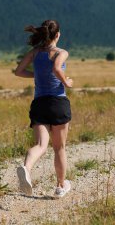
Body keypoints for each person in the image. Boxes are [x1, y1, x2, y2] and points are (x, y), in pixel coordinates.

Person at [14, 20, 73, 198]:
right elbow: (56, 68)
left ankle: (26, 169)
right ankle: (60, 186)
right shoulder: (61, 53)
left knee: (41, 145)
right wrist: (66, 82)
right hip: (57, 103)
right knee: (59, 148)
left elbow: (18, 71)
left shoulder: (35, 52)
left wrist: (36, 74)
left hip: (39, 104)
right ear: (57, 35)